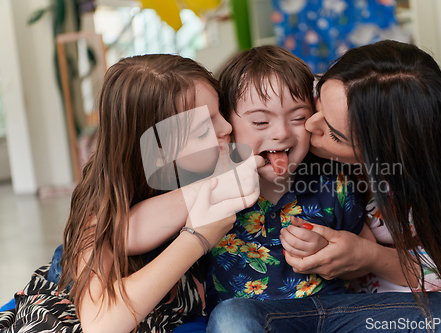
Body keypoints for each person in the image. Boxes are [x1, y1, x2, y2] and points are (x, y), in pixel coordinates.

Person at [207, 40, 441, 332]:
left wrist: (362, 255)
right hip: (259, 312)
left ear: (382, 152)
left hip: (370, 295)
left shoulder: (338, 185)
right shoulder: (287, 91)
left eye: (302, 117)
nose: (305, 126)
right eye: (315, 105)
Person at [0, 54, 262, 333]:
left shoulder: (212, 167)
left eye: (221, 111)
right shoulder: (103, 200)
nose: (227, 128)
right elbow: (101, 324)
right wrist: (198, 235)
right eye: (202, 130)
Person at [208, 45, 374, 303]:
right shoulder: (211, 190)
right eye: (261, 122)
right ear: (226, 125)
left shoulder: (333, 184)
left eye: (298, 118)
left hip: (328, 312)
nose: (282, 133)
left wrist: (326, 253)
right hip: (245, 319)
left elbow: (364, 264)